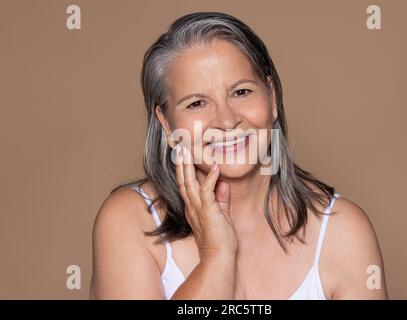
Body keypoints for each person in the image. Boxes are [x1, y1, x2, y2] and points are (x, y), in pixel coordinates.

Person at [90, 12, 388, 300]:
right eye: (196, 103)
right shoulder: (129, 221)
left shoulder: (343, 232)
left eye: (241, 92)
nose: (227, 120)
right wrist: (217, 258)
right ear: (166, 123)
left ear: (272, 97)